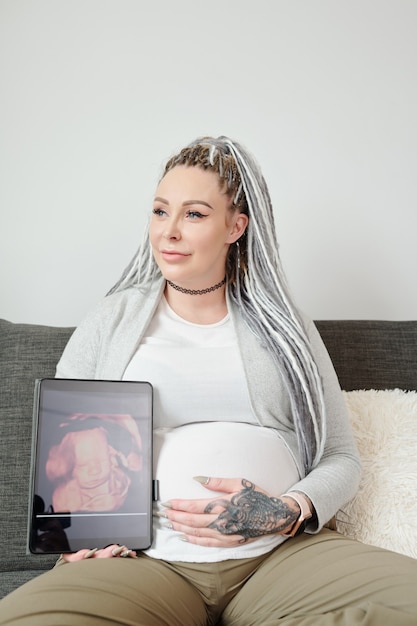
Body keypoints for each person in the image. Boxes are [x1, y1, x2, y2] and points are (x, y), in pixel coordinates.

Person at [1, 135, 417, 625]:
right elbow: (62, 451)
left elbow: (341, 457)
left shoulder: (286, 327)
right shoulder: (111, 321)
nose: (169, 231)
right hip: (146, 562)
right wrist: (72, 534)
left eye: (193, 214)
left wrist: (286, 510)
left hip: (278, 557)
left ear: (235, 226)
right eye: (160, 211)